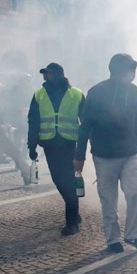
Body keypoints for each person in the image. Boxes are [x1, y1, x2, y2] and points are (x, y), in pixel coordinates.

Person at [75, 53, 137, 253]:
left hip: (129, 153)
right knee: (108, 199)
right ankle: (113, 239)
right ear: (118, 71)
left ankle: (134, 235)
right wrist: (79, 156)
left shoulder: (134, 91)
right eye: (131, 69)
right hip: (104, 154)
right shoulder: (96, 92)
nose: (133, 73)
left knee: (136, 192)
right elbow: (85, 126)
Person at [27, 62, 85, 236]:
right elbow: (33, 121)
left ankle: (72, 222)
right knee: (58, 181)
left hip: (69, 144)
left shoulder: (76, 94)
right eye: (44, 74)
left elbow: (86, 122)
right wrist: (32, 145)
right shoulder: (39, 95)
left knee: (67, 182)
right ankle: (74, 211)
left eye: (49, 74)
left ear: (59, 74)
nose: (45, 76)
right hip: (50, 145)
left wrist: (83, 147)